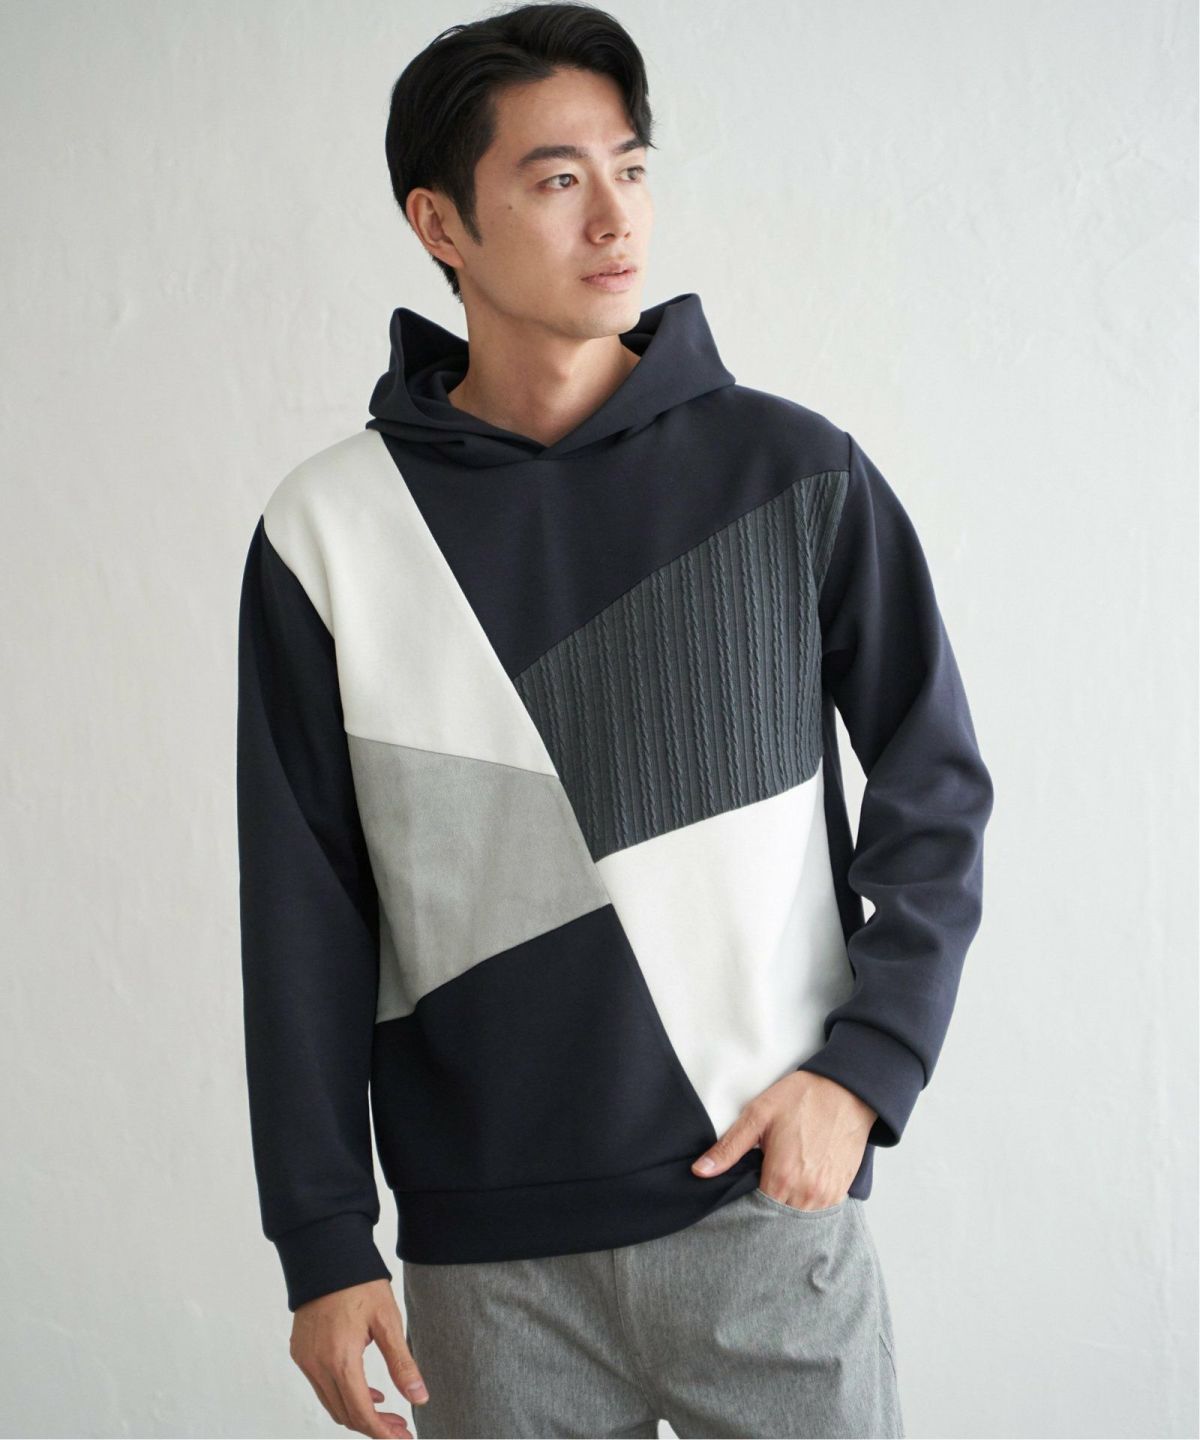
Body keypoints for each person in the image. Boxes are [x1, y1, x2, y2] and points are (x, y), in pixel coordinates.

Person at [235, 4, 995, 1437]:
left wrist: (866, 1071)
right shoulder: (331, 529)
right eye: (556, 177)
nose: (614, 217)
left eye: (631, 169)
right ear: (440, 223)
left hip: (767, 1218)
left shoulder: (792, 471)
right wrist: (323, 1240)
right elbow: (302, 905)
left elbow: (936, 780)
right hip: (489, 1273)